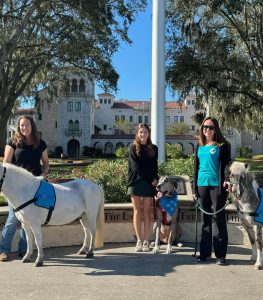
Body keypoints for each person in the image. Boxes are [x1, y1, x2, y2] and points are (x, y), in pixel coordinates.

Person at [0, 115, 49, 262]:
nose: (24, 128)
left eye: (27, 125)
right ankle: (3, 250)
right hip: (16, 189)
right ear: (18, 127)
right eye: (21, 125)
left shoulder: (40, 143)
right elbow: (6, 163)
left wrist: (45, 173)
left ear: (32, 126)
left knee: (29, 219)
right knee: (13, 218)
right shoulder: (13, 142)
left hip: (35, 187)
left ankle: (24, 249)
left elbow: (46, 162)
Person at [193, 117, 231, 265]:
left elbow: (227, 164)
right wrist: (195, 188)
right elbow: (196, 167)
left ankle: (220, 255)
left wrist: (227, 179)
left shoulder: (223, 145)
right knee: (205, 220)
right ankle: (205, 253)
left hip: (217, 186)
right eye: (204, 127)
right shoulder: (200, 146)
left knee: (218, 219)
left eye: (210, 127)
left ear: (216, 129)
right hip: (202, 185)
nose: (207, 130)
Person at [127, 123, 158, 252]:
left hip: (149, 184)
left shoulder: (154, 148)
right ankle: (139, 241)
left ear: (148, 133)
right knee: (137, 211)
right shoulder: (132, 147)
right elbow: (136, 167)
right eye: (140, 132)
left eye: (145, 132)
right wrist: (151, 179)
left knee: (147, 211)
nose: (142, 134)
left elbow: (153, 166)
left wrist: (156, 178)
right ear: (137, 133)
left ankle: (146, 241)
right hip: (135, 182)